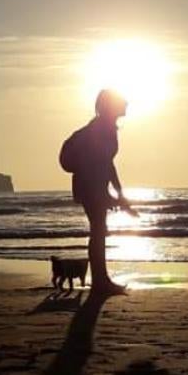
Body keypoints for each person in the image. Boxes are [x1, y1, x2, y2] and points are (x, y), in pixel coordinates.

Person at [65, 89, 134, 295]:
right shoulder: (101, 129)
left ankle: (100, 280)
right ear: (110, 106)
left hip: (92, 185)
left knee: (99, 230)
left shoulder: (106, 128)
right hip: (90, 185)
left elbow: (108, 164)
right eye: (121, 101)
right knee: (98, 230)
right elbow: (100, 164)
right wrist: (110, 194)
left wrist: (119, 193)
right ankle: (100, 282)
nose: (126, 103)